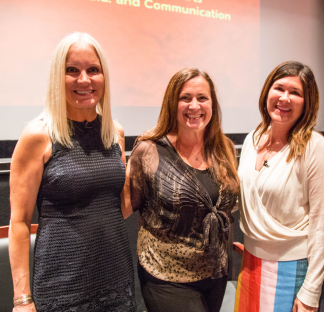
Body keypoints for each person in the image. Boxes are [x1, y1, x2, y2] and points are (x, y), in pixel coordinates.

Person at [8, 33, 136, 311]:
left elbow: (116, 208)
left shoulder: (114, 133)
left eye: (93, 70)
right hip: (62, 283)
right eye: (71, 71)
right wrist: (22, 299)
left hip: (116, 276)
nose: (84, 80)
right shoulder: (38, 136)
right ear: (58, 76)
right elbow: (19, 222)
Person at [123, 68, 239, 312]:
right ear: (171, 103)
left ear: (212, 104)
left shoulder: (224, 149)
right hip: (167, 278)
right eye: (185, 98)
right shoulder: (149, 151)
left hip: (215, 275)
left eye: (202, 98)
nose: (194, 105)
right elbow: (123, 208)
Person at [235, 61, 324, 312]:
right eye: (279, 88)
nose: (284, 98)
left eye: (296, 93)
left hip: (291, 271)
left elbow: (322, 223)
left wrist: (311, 290)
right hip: (249, 264)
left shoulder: (315, 147)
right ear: (267, 92)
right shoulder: (253, 138)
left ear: (307, 102)